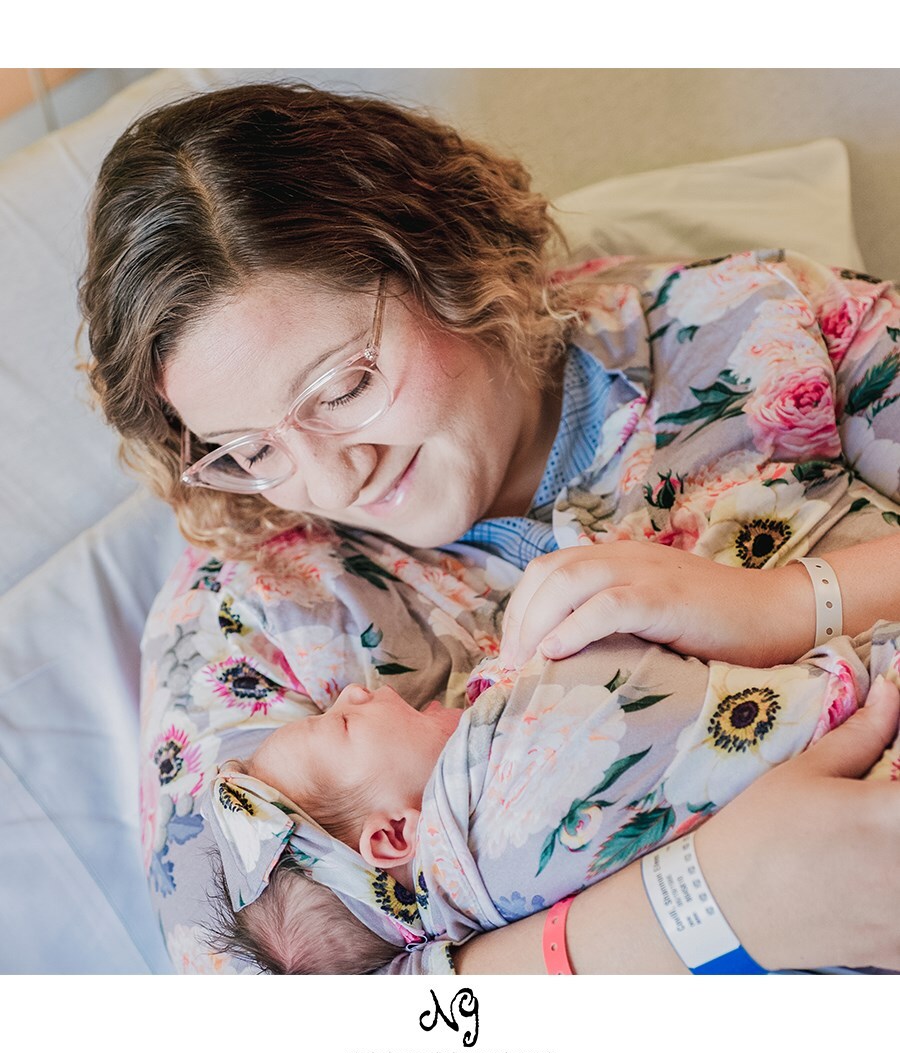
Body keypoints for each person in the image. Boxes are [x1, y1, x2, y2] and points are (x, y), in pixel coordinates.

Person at [79, 81, 900, 975]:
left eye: (346, 388)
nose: (326, 478)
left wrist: (794, 603)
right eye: (246, 450)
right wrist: (715, 903)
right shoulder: (246, 623)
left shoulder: (756, 328)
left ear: (448, 256)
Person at [205, 626, 900, 975]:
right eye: (344, 723)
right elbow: (636, 707)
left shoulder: (482, 925)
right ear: (392, 835)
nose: (352, 691)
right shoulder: (490, 781)